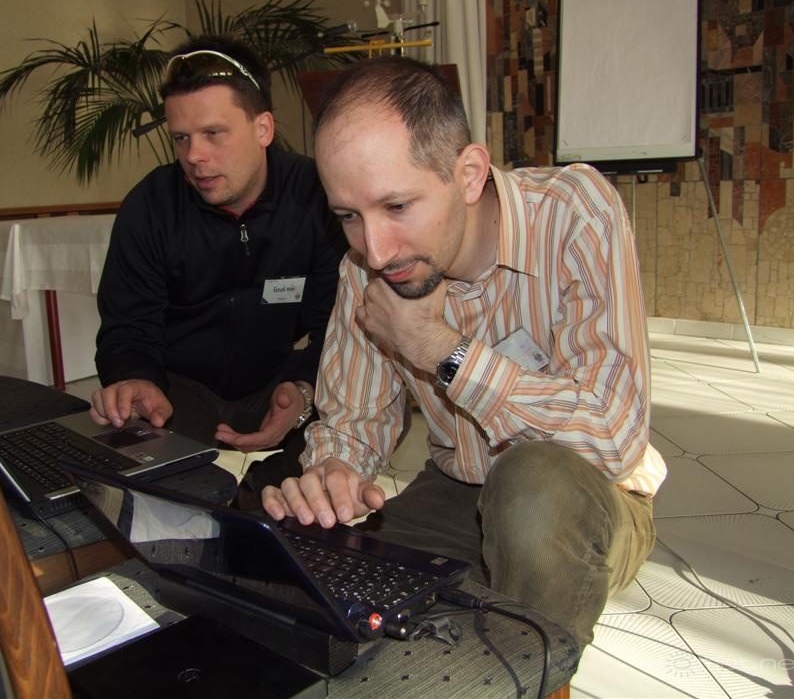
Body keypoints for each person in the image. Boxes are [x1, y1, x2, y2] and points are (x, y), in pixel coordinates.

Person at [261, 57, 666, 650]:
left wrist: (440, 348)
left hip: (591, 492)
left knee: (531, 490)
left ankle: (533, 674)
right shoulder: (364, 268)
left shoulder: (575, 213)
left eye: (397, 207)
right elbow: (353, 421)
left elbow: (614, 435)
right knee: (335, 607)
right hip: (455, 488)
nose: (376, 250)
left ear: (470, 174)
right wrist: (333, 474)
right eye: (348, 216)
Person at [92, 35, 347, 509]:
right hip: (178, 393)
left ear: (263, 128)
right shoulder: (151, 206)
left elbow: (338, 328)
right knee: (142, 470)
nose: (194, 156)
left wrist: (304, 388)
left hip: (277, 384)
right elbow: (127, 324)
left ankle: (268, 510)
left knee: (332, 443)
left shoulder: (316, 197)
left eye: (214, 134)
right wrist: (135, 377)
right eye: (181, 138)